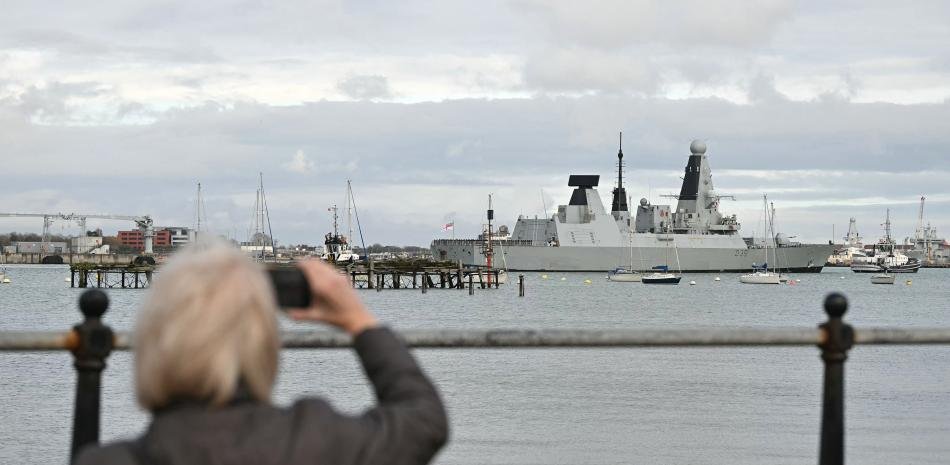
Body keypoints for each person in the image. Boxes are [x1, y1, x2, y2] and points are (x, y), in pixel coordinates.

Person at [77, 244, 448, 465]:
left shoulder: (108, 461)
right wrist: (357, 319)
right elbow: (424, 420)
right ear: (264, 345)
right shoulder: (320, 440)